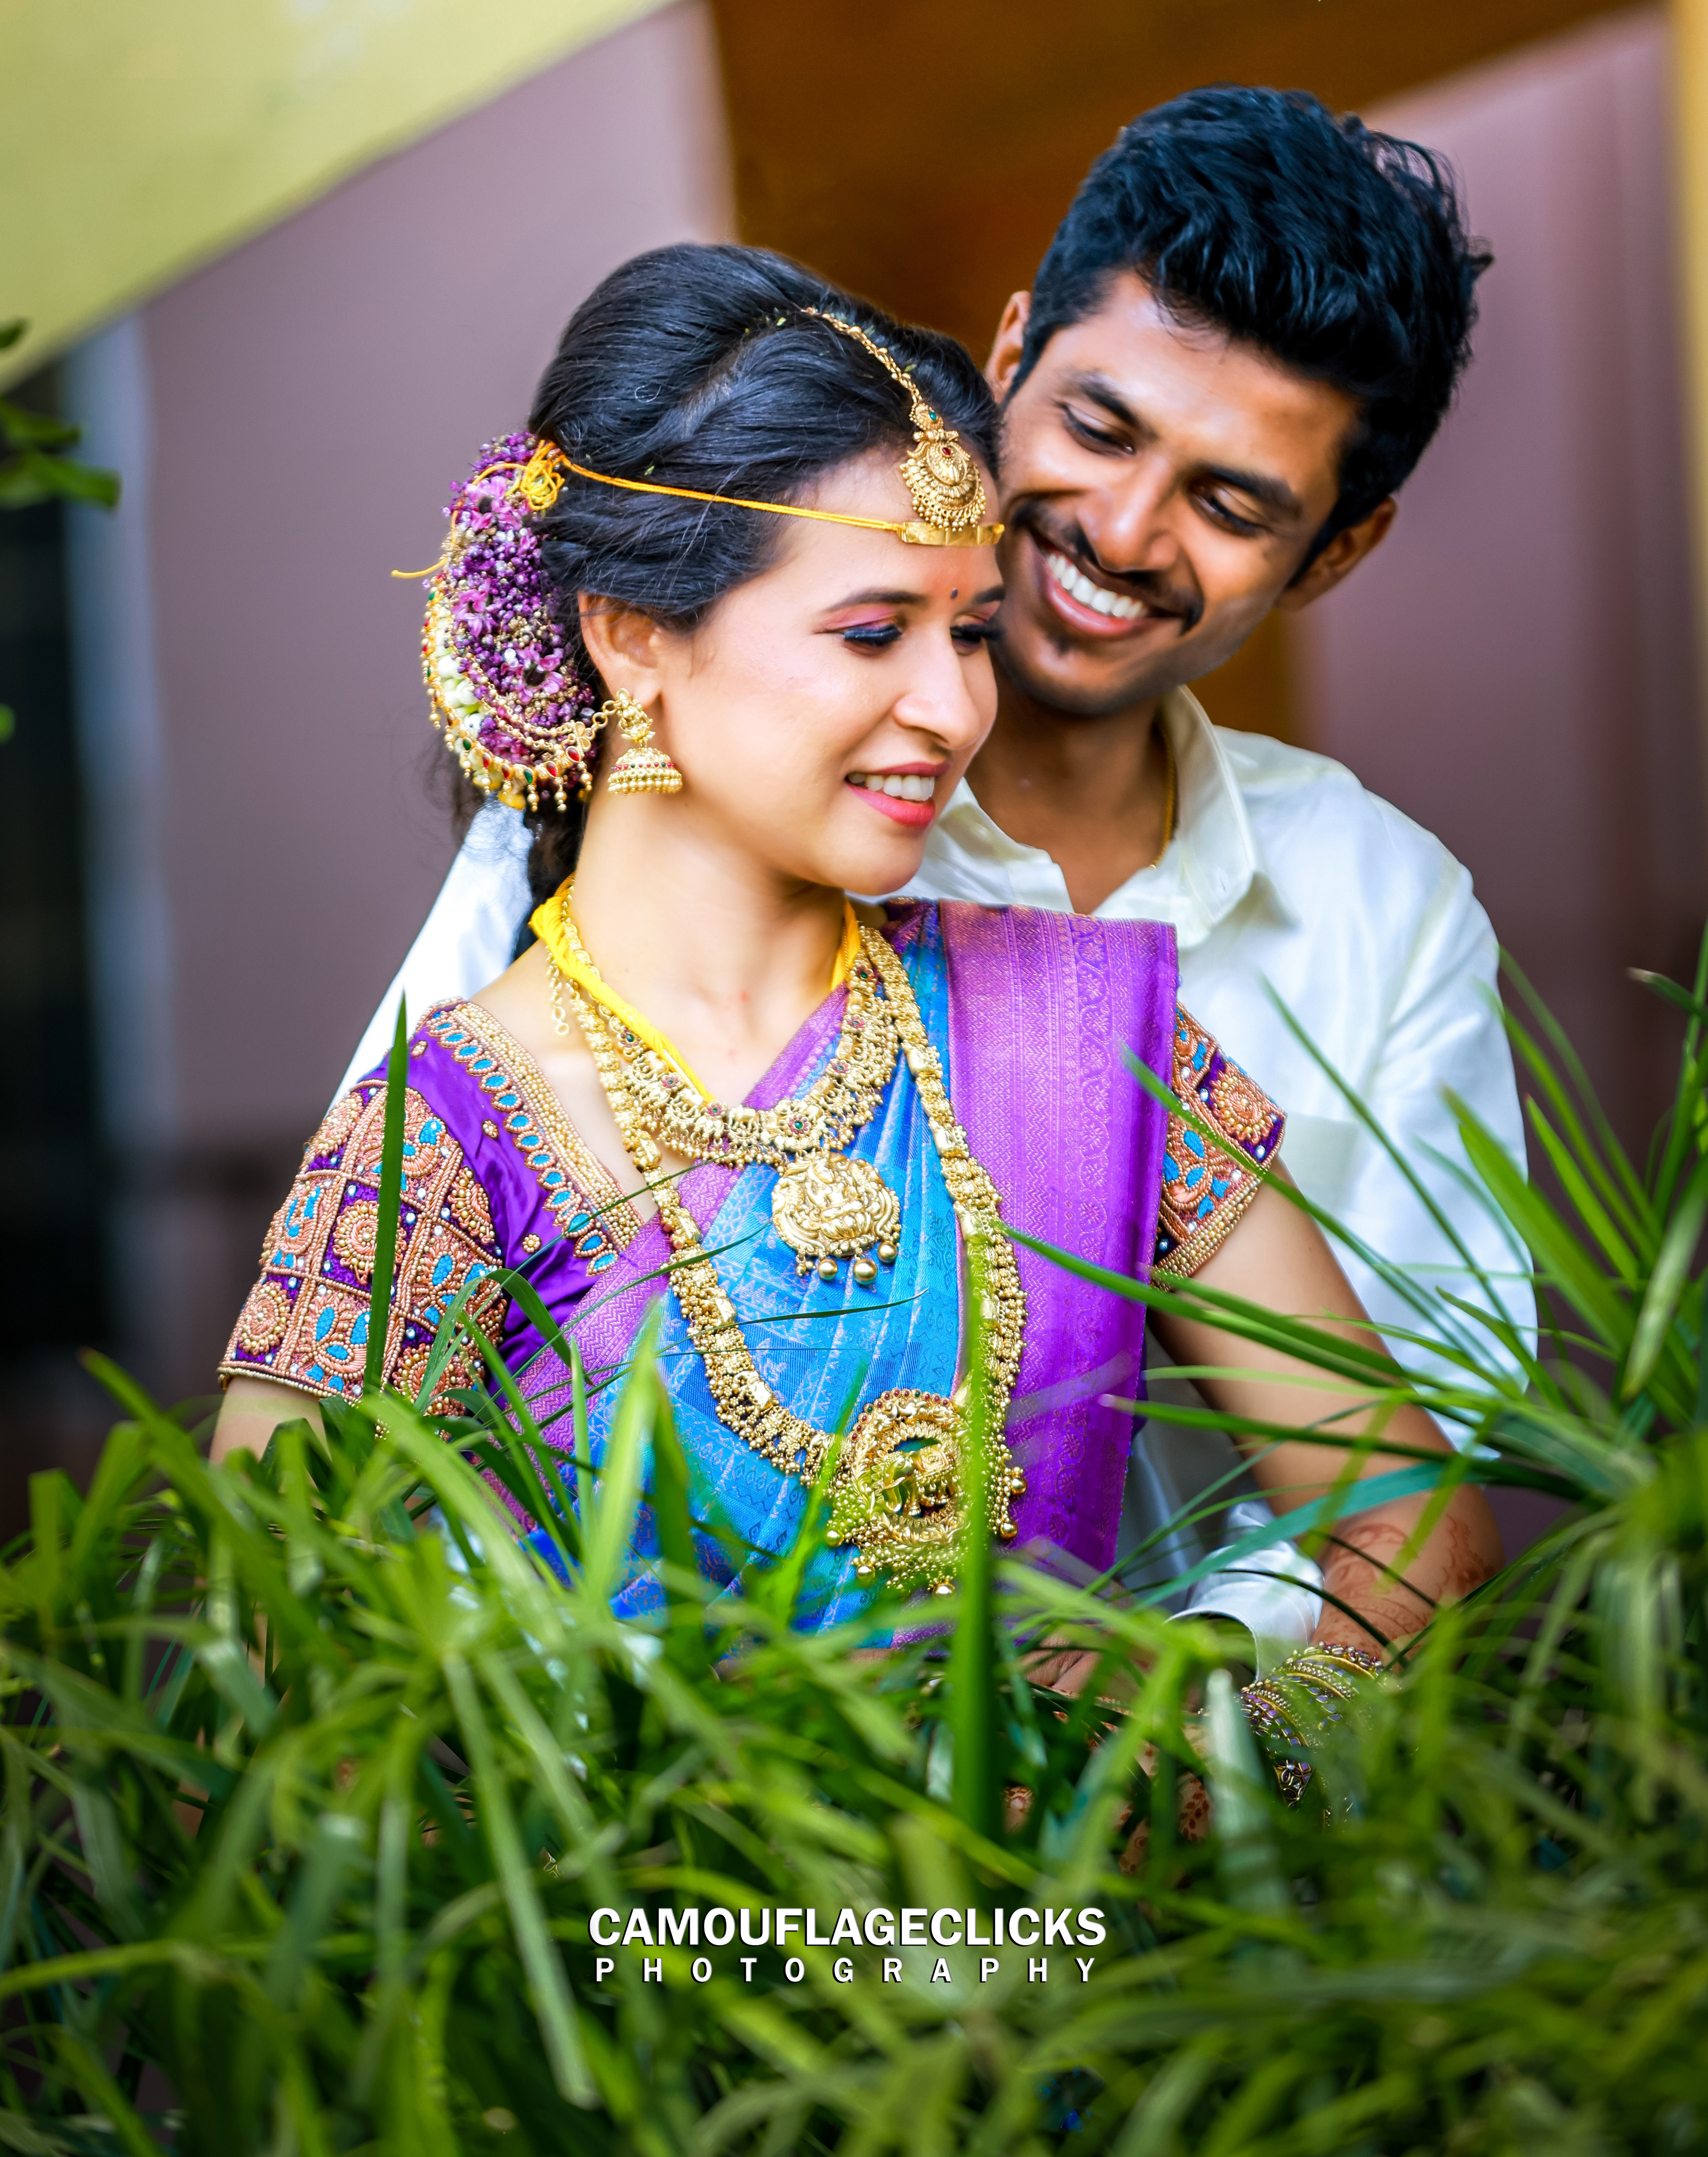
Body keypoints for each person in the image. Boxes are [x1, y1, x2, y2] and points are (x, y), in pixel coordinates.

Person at [337, 91, 1533, 1662]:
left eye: (1232, 503)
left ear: (1340, 551)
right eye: (1100, 429)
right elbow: (353, 1449)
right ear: (1016, 346)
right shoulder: (642, 834)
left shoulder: (1380, 915)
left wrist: (1147, 1756)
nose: (1119, 529)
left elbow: (1412, 1506)